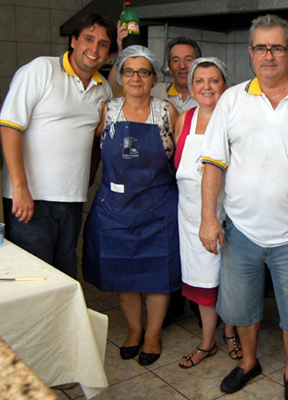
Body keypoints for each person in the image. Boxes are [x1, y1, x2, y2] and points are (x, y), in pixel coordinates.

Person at [200, 14, 288, 399]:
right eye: (261, 47)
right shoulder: (232, 99)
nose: (269, 55)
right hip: (241, 228)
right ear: (250, 53)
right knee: (242, 307)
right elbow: (213, 163)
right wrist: (208, 218)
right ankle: (249, 362)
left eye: (277, 47)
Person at [82, 45, 181, 367]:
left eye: (143, 71)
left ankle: (152, 334)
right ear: (121, 76)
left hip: (159, 208)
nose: (136, 77)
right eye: (129, 71)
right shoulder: (107, 110)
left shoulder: (167, 111)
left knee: (157, 273)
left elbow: (181, 159)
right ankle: (134, 330)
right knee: (122, 272)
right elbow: (96, 152)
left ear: (154, 78)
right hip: (115, 208)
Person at [0, 14, 116, 278]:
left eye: (103, 44)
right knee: (33, 278)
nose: (94, 49)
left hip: (72, 199)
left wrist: (87, 176)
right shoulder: (41, 70)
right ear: (73, 41)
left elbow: (97, 142)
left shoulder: (102, 90)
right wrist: (19, 187)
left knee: (63, 273)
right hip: (32, 197)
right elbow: (9, 126)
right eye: (88, 39)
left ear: (108, 54)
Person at [174, 57, 242, 368]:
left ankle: (230, 333)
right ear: (191, 86)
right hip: (189, 215)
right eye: (199, 81)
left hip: (226, 212)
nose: (206, 87)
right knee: (201, 281)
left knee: (228, 278)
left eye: (214, 80)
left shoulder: (234, 118)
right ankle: (207, 340)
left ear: (225, 86)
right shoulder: (184, 120)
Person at [109, 32, 201, 113]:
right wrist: (122, 53)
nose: (182, 66)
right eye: (176, 60)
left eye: (188, 60)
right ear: (170, 67)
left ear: (198, 65)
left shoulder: (208, 95)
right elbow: (115, 90)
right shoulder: (153, 90)